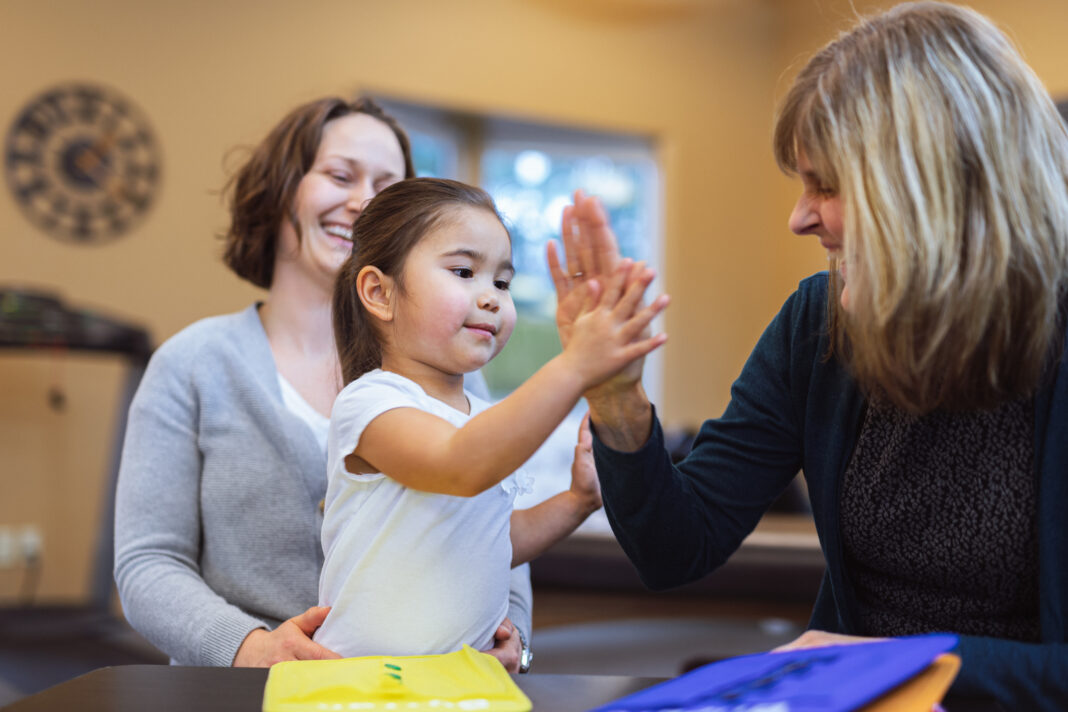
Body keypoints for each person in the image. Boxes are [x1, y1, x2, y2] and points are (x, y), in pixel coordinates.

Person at [551, 3, 1068, 709]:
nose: (799, 217)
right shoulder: (815, 325)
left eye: (826, 186)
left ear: (929, 189)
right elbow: (676, 548)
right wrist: (614, 398)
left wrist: (895, 662)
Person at [113, 98, 530, 669]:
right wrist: (252, 649)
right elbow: (148, 564)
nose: (362, 201)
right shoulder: (195, 362)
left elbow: (492, 534)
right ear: (281, 190)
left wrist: (517, 641)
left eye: (386, 187)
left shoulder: (453, 375)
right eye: (340, 175)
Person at [314, 177, 668, 657]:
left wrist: (577, 501)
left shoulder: (481, 419)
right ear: (379, 293)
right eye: (463, 272)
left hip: (463, 689)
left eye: (503, 281)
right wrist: (576, 365)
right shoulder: (370, 403)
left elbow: (491, 538)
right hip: (364, 687)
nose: (492, 297)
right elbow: (459, 466)